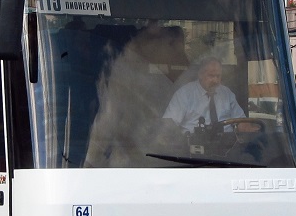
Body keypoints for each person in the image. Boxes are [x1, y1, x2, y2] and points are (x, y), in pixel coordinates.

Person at [83, 23, 187, 167]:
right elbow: (106, 126)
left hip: (178, 169)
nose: (181, 55)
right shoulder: (125, 77)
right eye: (173, 46)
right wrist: (89, 166)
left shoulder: (179, 81)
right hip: (131, 172)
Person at [162, 57, 245, 132]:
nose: (215, 81)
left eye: (218, 76)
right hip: (193, 145)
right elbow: (168, 125)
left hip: (227, 145)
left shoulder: (227, 93)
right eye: (211, 76)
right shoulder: (184, 94)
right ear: (200, 75)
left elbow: (242, 122)